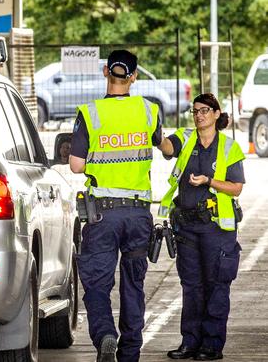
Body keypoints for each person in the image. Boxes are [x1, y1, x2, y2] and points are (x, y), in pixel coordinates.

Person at [69, 49, 162, 362]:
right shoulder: (149, 111)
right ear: (134, 76)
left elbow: (76, 166)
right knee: (133, 285)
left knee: (96, 283)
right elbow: (162, 144)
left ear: (106, 72)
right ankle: (130, 354)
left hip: (103, 214)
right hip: (138, 214)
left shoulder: (90, 112)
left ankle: (105, 334)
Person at [157, 93, 245, 361]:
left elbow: (236, 188)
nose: (199, 115)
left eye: (205, 110)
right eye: (195, 111)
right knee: (191, 286)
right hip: (187, 228)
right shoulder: (185, 138)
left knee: (216, 285)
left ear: (217, 114)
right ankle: (190, 343)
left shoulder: (229, 148)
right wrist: (156, 134)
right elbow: (167, 148)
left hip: (217, 230)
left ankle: (212, 345)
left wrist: (209, 181)